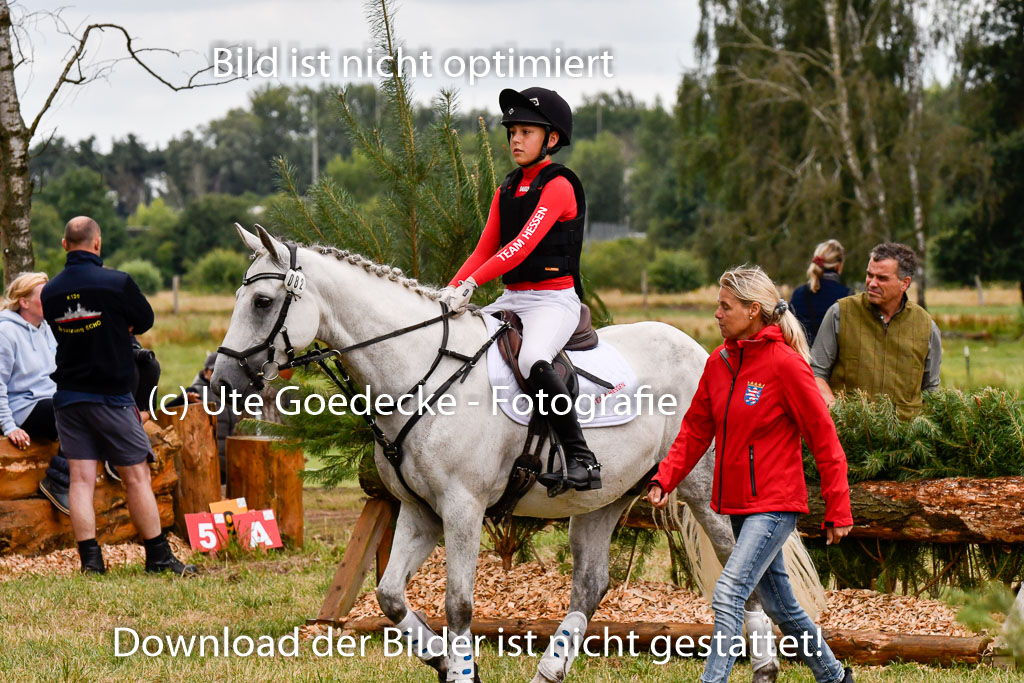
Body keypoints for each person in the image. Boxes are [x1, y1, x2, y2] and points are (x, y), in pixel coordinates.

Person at [647, 266, 854, 683]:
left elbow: (825, 440)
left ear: (753, 310)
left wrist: (839, 507)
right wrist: (664, 478)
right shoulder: (719, 362)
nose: (717, 314)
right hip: (738, 505)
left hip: (775, 505)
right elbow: (694, 430)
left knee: (728, 594)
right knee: (781, 606)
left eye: (726, 306)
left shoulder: (786, 366)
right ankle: (834, 677)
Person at [439, 87, 600, 493]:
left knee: (532, 358)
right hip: (514, 299)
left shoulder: (559, 185)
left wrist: (473, 284)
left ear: (551, 139)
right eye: (512, 130)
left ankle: (581, 457)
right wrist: (449, 290)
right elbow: (483, 249)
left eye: (526, 131)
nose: (515, 139)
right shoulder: (506, 189)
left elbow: (521, 247)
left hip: (554, 300)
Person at [41, 215, 196, 576]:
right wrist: (113, 322)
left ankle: (91, 562)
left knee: (80, 479)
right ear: (97, 244)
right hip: (111, 396)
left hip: (68, 398)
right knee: (136, 476)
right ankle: (158, 557)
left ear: (65, 245)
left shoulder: (50, 292)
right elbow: (144, 320)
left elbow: (59, 326)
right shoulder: (117, 283)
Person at [810, 242, 941, 420]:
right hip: (848, 436)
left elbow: (931, 391)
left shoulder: (926, 327)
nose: (872, 283)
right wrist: (836, 413)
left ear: (905, 283)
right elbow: (816, 372)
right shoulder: (840, 313)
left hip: (905, 440)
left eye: (882, 278)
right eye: (869, 275)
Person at [0, 272, 71, 514]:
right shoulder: (5, 332)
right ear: (24, 302)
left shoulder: (47, 328)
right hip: (25, 408)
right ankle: (57, 481)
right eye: (45, 296)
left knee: (86, 400)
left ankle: (114, 458)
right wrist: (9, 426)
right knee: (72, 409)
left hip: (52, 400)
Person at [790, 239, 851, 346]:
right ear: (839, 266)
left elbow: (790, 330)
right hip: (833, 360)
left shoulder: (798, 294)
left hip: (802, 358)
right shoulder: (846, 295)